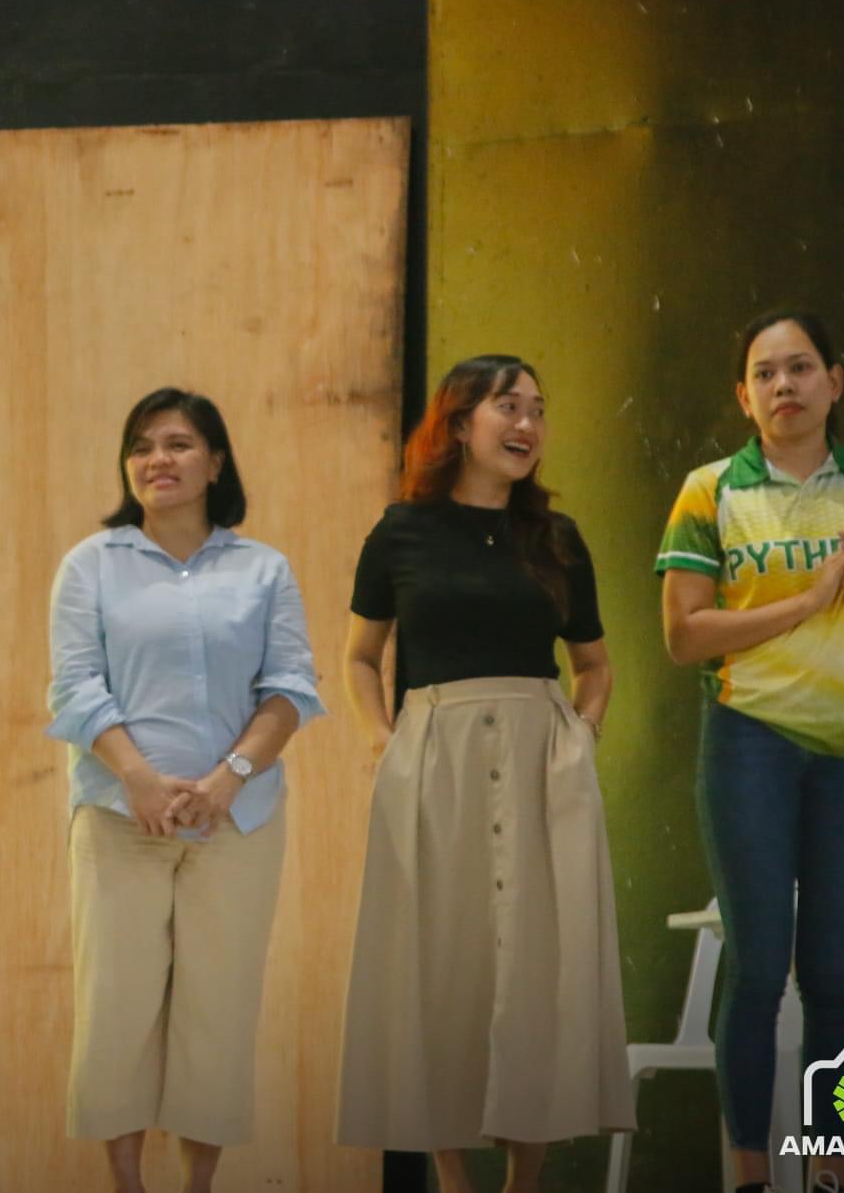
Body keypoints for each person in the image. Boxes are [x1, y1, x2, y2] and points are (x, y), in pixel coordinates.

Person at [334, 355, 631, 1193]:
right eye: (509, 406)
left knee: (537, 964)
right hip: (435, 756)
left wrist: (582, 736)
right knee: (439, 964)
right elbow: (359, 656)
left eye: (538, 408)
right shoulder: (400, 532)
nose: (528, 423)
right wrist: (382, 742)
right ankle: (455, 1180)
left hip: (543, 760)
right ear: (460, 423)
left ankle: (523, 1183)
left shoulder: (557, 538)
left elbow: (595, 665)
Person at [656, 309, 844, 1193]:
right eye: (765, 373)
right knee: (758, 965)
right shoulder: (709, 490)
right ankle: (750, 1174)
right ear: (744, 396)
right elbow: (684, 635)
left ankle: (833, 1170)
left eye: (802, 367)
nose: (785, 385)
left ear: (835, 382)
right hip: (750, 741)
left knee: (835, 975)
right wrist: (809, 603)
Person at [46, 388, 321, 1193]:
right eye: (141, 446)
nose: (157, 459)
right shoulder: (91, 563)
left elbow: (290, 688)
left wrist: (229, 778)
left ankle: (198, 1184)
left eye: (177, 443)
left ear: (215, 462)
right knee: (117, 1007)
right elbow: (74, 687)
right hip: (118, 815)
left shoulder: (263, 568)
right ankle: (127, 1183)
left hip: (237, 820)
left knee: (218, 1013)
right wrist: (137, 777)